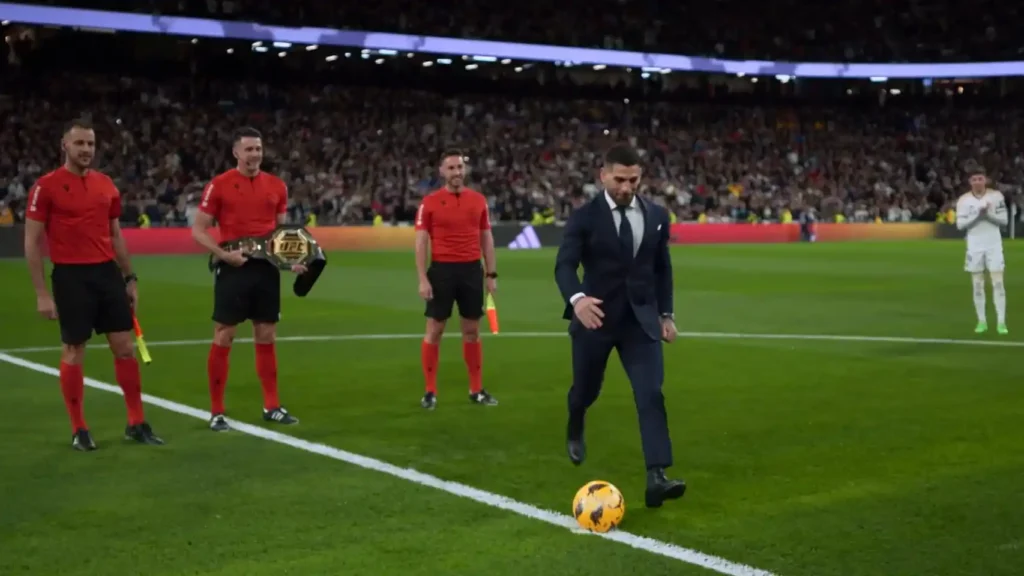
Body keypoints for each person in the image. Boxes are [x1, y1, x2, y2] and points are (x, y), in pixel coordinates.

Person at [553, 143, 685, 509]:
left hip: (640, 323)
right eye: (619, 179)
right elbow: (564, 266)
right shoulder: (584, 217)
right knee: (586, 391)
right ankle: (576, 419)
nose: (627, 187)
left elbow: (663, 269)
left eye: (633, 179)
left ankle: (656, 476)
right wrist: (577, 300)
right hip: (595, 319)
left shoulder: (657, 215)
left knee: (650, 394)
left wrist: (666, 314)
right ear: (603, 175)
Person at [23, 118, 163, 451]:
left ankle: (136, 422)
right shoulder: (46, 186)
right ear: (65, 146)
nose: (86, 150)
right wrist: (42, 293)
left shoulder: (106, 185)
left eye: (91, 144)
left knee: (124, 347)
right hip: (71, 276)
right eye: (80, 144)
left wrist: (129, 278)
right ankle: (79, 429)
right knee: (74, 350)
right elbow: (31, 241)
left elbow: (115, 234)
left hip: (107, 274)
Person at [191, 127, 308, 431]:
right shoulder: (219, 186)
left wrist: (290, 261)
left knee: (266, 335)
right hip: (234, 265)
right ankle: (216, 411)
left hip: (265, 269)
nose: (255, 154)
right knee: (224, 334)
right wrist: (223, 254)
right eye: (249, 149)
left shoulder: (277, 186)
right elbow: (198, 230)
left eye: (258, 149)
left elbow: (280, 234)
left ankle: (272, 406)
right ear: (236, 152)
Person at [414, 149, 498, 410]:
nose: (457, 173)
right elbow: (421, 242)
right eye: (451, 168)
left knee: (472, 331)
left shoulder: (478, 201)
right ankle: (430, 391)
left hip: (472, 270)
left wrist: (491, 273)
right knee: (435, 330)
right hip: (441, 271)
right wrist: (422, 278)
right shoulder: (429, 202)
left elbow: (486, 237)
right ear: (442, 172)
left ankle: (476, 390)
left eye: (460, 167)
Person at [956, 166, 1009, 334]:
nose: (978, 182)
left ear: (985, 180)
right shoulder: (964, 200)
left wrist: (988, 216)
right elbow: (960, 225)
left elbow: (1004, 221)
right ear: (970, 182)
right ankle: (981, 321)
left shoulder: (996, 196)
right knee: (977, 285)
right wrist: (978, 216)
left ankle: (1001, 322)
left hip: (994, 244)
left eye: (980, 178)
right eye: (974, 179)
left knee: (998, 283)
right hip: (974, 246)